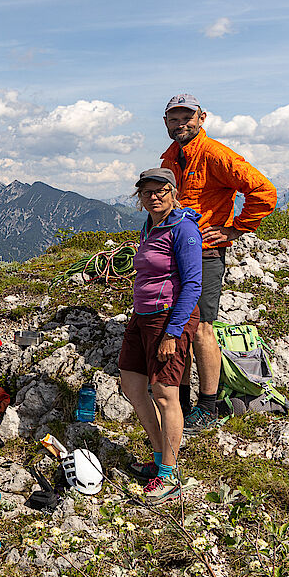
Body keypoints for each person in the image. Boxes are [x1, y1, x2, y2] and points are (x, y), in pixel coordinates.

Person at [160, 94, 277, 434]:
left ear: (202, 117)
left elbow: (263, 191)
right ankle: (180, 400)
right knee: (178, 326)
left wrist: (235, 228)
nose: (180, 123)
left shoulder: (216, 154)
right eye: (173, 118)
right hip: (174, 250)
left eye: (186, 117)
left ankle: (208, 406)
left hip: (205, 254)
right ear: (166, 122)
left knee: (200, 328)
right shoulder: (171, 156)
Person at [118, 167, 203, 504]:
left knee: (165, 394)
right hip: (143, 316)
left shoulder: (183, 228)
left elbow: (193, 283)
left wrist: (173, 331)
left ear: (173, 191)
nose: (153, 197)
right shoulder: (151, 225)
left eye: (160, 191)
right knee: (131, 383)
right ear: (139, 197)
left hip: (168, 318)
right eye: (146, 192)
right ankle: (157, 457)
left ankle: (169, 474)